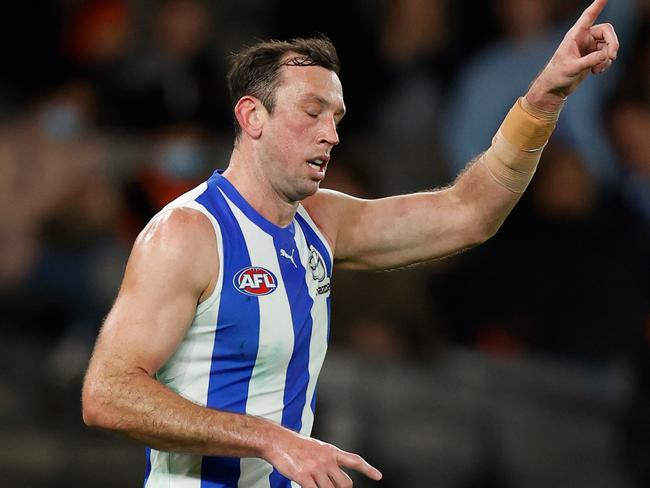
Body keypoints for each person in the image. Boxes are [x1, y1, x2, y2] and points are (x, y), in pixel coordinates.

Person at [81, 1, 619, 486]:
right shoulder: (188, 233)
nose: (332, 134)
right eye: (312, 112)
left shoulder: (322, 221)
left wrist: (543, 98)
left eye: (336, 118)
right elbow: (108, 395)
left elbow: (468, 213)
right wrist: (268, 437)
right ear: (252, 117)